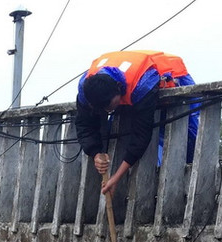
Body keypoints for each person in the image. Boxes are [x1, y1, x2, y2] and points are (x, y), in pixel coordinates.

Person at [75, 50, 197, 197]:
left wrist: (116, 178)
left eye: (110, 106)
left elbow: (141, 136)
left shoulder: (143, 85)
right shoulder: (86, 88)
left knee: (187, 139)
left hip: (172, 79)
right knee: (116, 132)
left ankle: (186, 188)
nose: (108, 111)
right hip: (129, 84)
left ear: (118, 88)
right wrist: (95, 153)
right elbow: (84, 124)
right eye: (103, 109)